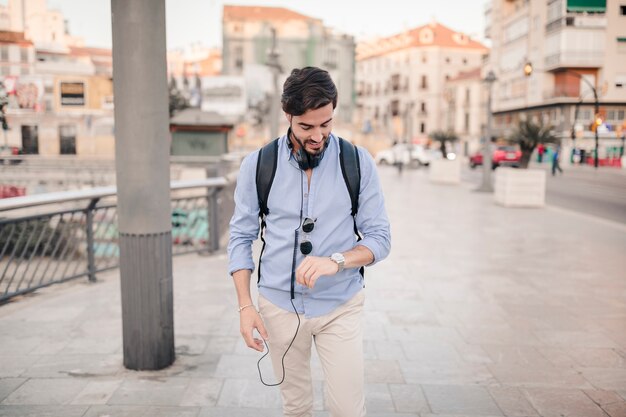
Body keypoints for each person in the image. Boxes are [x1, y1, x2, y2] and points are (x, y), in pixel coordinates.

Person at [228, 67, 391, 417]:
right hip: (277, 308)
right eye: (306, 127)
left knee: (348, 410)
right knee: (296, 407)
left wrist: (337, 261)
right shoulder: (256, 165)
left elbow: (380, 239)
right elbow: (240, 239)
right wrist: (245, 306)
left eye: (326, 124)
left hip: (340, 305)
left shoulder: (358, 162)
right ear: (287, 116)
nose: (318, 136)